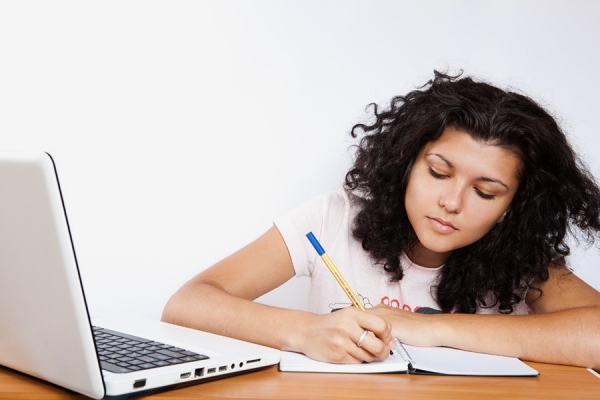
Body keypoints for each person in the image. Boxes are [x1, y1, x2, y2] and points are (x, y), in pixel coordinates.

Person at [162, 71, 600, 369]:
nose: (451, 202)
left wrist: (432, 328)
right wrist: (307, 331)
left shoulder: (521, 259)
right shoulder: (335, 217)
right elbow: (187, 304)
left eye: (485, 192)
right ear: (407, 162)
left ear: (514, 206)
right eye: (438, 173)